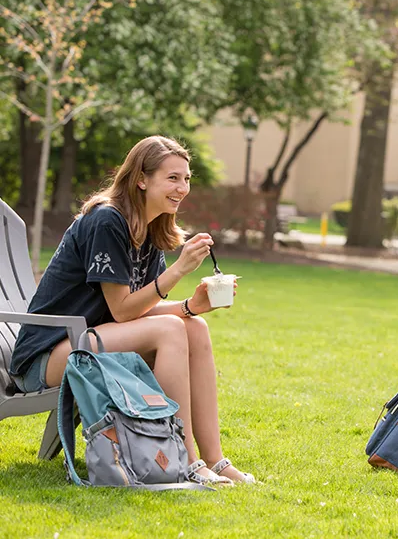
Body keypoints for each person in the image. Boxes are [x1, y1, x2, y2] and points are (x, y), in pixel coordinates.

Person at [10, 136, 254, 485]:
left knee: (194, 326)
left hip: (90, 338)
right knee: (171, 328)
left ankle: (214, 460)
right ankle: (185, 460)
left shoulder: (152, 227)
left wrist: (190, 306)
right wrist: (179, 271)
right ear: (142, 178)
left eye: (186, 178)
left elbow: (139, 311)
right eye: (172, 178)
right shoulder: (107, 221)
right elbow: (123, 312)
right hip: (47, 355)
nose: (182, 187)